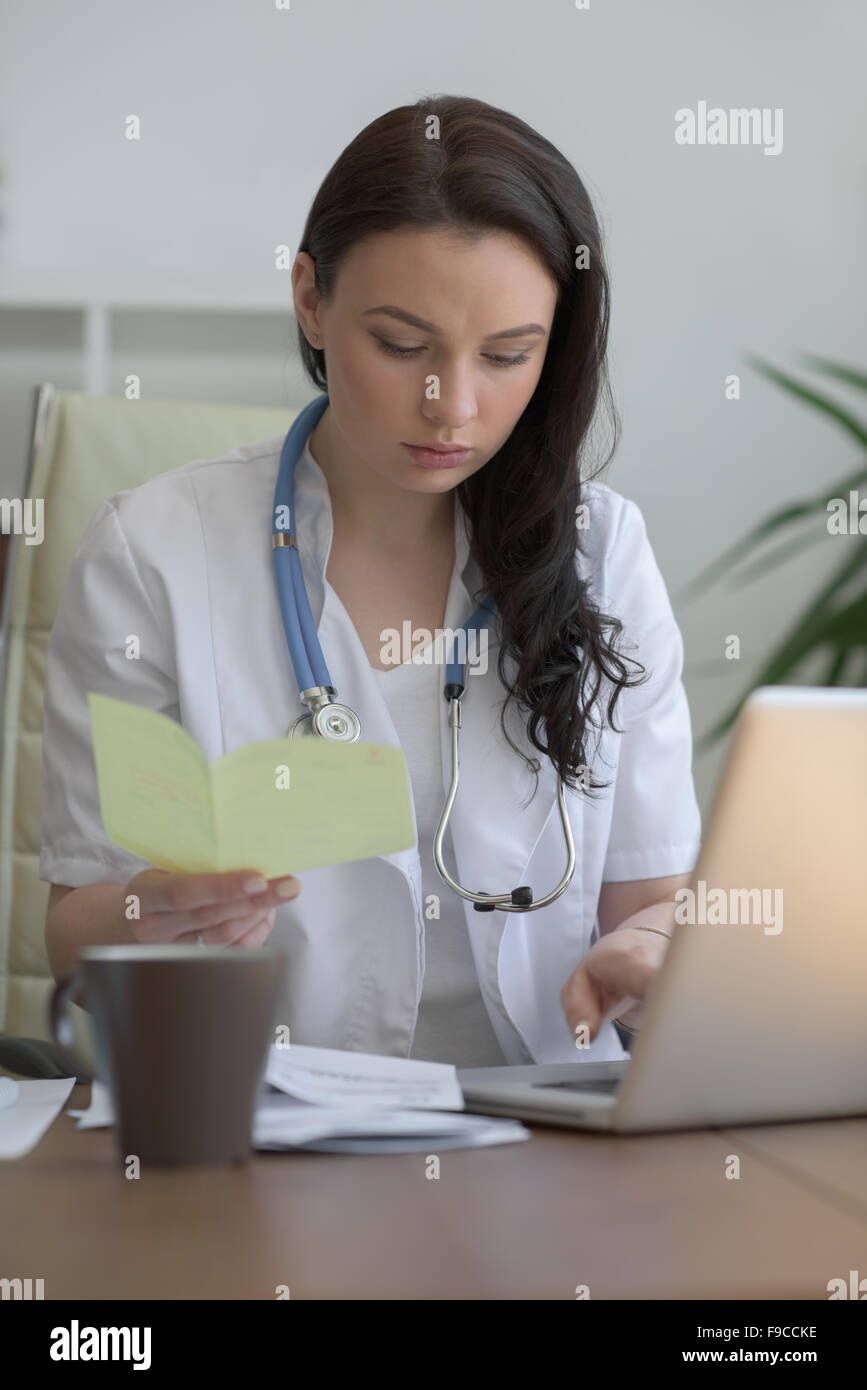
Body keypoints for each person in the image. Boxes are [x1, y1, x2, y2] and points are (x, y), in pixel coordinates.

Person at [41, 94, 701, 1067]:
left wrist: (650, 950)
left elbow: (651, 898)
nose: (454, 406)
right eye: (402, 346)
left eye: (508, 355)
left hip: (553, 1134)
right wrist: (155, 912)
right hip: (274, 1130)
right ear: (310, 296)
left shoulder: (605, 551)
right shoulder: (154, 553)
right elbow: (74, 930)